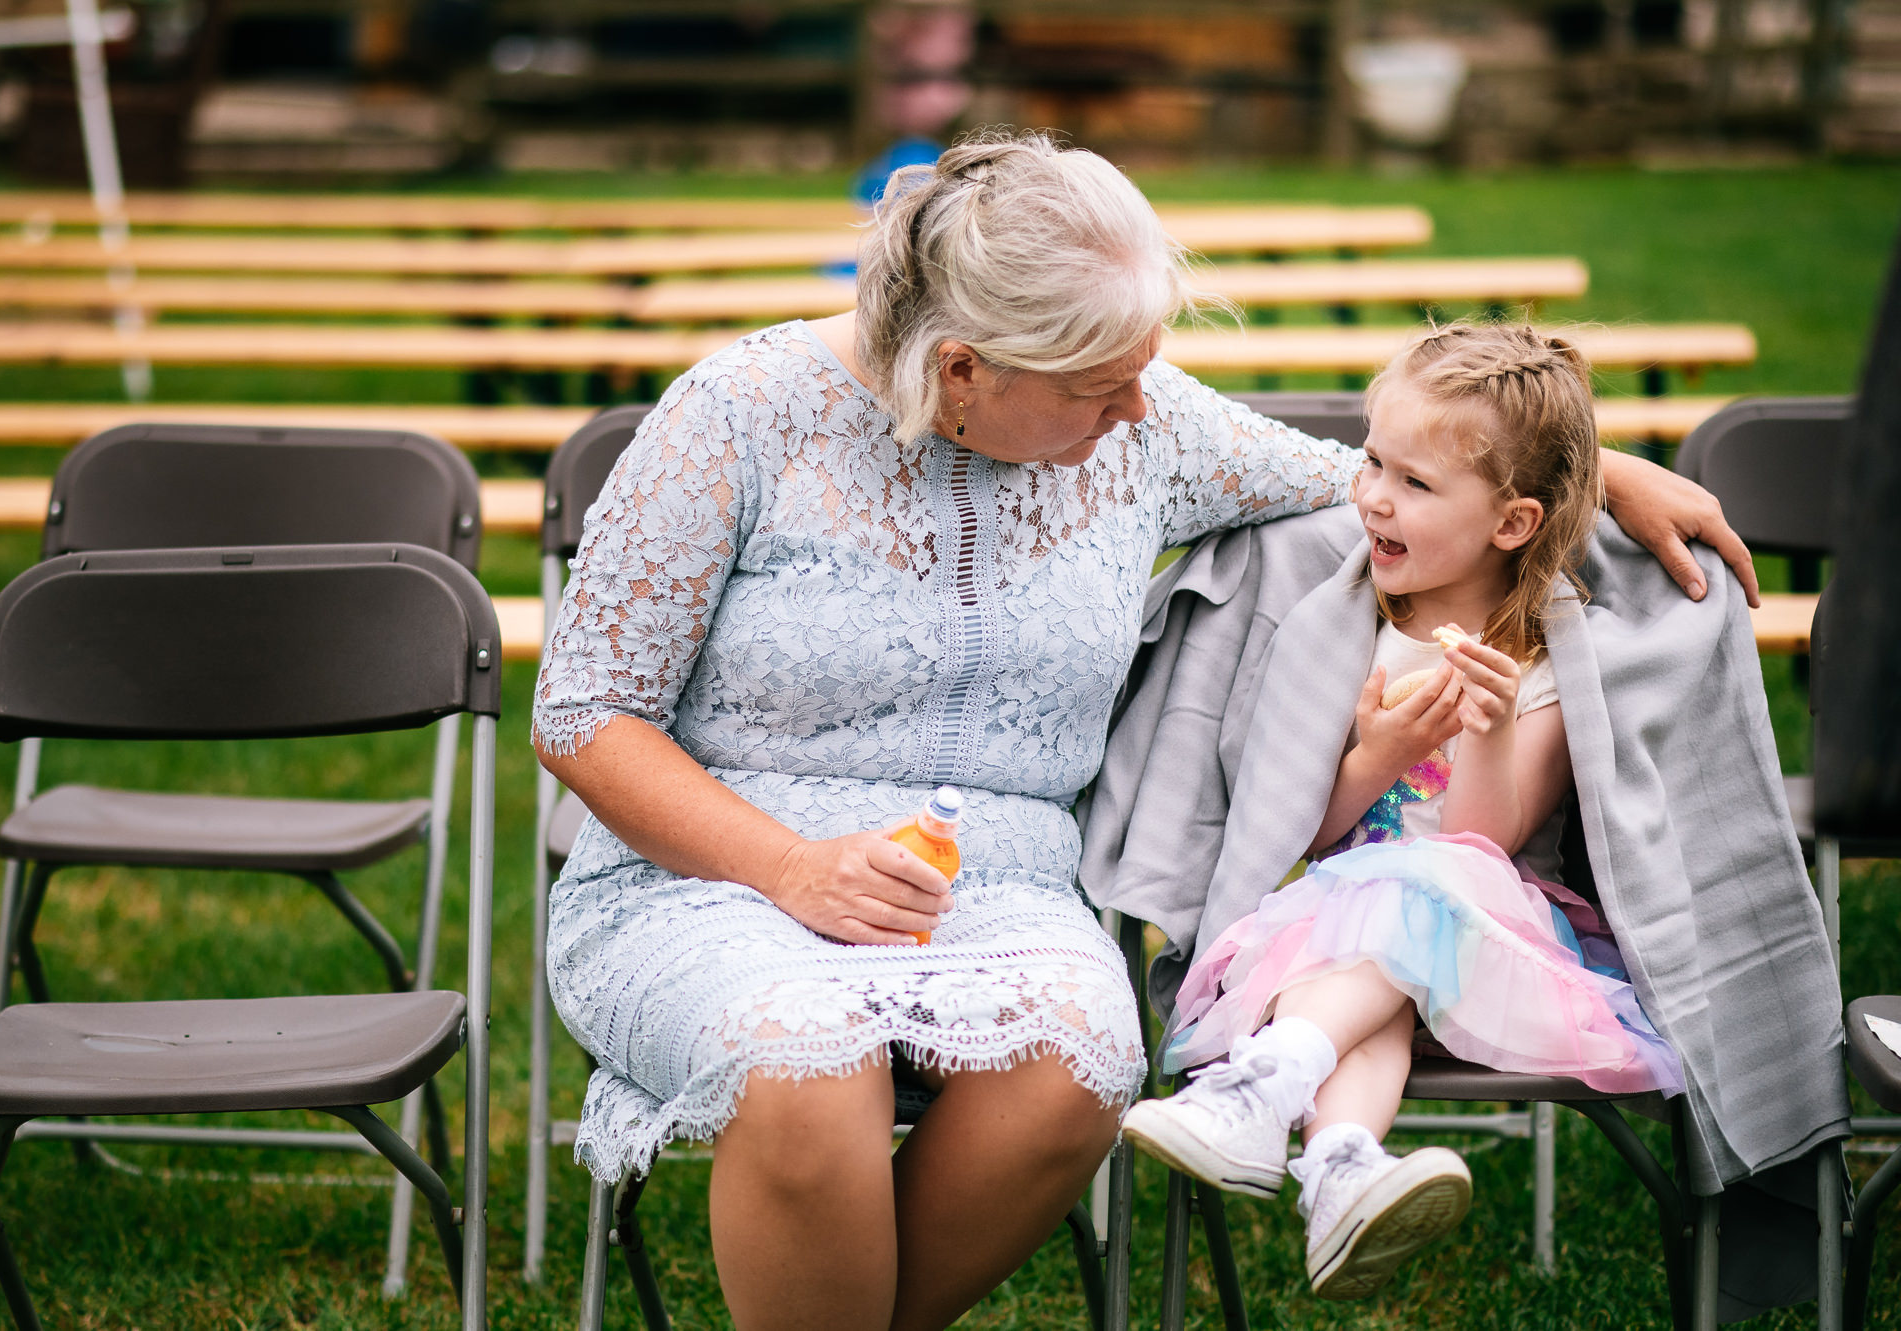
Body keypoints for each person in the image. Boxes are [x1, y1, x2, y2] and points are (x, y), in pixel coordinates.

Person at [534, 131, 1756, 1331]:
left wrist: (1602, 474)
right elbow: (584, 714)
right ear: (960, 370)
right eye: (1097, 385)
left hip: (994, 884)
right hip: (708, 875)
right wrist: (793, 867)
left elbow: (1383, 482)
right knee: (806, 1064)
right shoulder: (737, 414)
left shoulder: (1147, 429)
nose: (1139, 406)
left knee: (1078, 1060)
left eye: (1145, 366)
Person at [1121, 323, 1687, 1303]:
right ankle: (1340, 1169)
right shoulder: (1350, 630)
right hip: (1345, 960)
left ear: (1509, 523)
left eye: (1414, 484)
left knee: (1415, 892)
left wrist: (1491, 726)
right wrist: (1376, 752)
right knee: (1364, 991)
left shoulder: (1547, 663)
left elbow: (1478, 848)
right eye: (1373, 459)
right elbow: (1306, 832)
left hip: (1485, 951)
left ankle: (1260, 1086)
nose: (1372, 494)